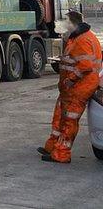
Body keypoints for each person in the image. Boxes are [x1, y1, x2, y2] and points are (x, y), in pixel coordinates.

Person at [39, 10, 102, 163]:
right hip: (72, 88)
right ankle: (53, 146)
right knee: (60, 115)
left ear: (72, 24)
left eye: (65, 22)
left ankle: (61, 154)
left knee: (69, 120)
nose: (62, 25)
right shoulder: (79, 38)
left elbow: (85, 66)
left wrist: (71, 80)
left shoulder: (82, 40)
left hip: (79, 88)